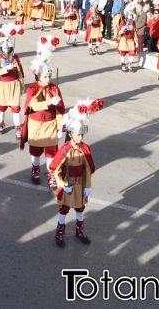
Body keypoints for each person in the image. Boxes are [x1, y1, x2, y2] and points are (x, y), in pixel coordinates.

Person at [49, 98, 102, 247]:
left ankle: (79, 230)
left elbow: (88, 169)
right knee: (64, 209)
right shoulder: (65, 149)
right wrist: (62, 184)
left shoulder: (85, 148)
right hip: (68, 183)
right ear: (71, 133)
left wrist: (88, 186)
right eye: (77, 134)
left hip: (80, 184)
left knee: (80, 207)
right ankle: (60, 231)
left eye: (82, 135)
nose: (80, 137)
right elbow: (55, 168)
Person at [20, 35, 64, 185]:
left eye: (49, 76)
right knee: (36, 150)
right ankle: (35, 168)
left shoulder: (54, 88)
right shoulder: (33, 89)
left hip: (51, 124)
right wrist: (49, 102)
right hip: (36, 124)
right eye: (45, 76)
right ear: (39, 76)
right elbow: (32, 105)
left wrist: (60, 126)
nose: (48, 79)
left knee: (51, 151)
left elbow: (60, 110)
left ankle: (51, 173)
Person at [0, 25, 25, 137]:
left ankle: (18, 127)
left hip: (14, 85)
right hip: (2, 85)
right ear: (1, 48)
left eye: (8, 48)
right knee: (1, 107)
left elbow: (20, 73)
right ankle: (1, 123)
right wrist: (5, 69)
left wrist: (22, 85)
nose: (6, 50)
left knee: (15, 108)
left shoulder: (15, 58)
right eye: (5, 48)